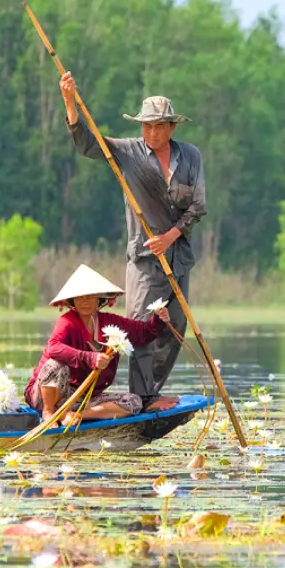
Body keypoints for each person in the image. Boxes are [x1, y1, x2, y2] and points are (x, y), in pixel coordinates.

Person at [60, 73, 204, 411]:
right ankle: (142, 397)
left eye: (158, 126)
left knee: (175, 327)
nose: (151, 133)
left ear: (172, 127)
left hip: (179, 257)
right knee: (140, 329)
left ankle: (152, 391)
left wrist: (170, 237)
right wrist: (70, 101)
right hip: (143, 261)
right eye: (146, 126)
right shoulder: (129, 152)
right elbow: (87, 145)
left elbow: (198, 206)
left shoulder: (191, 157)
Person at [24, 265, 176, 424]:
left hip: (82, 399)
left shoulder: (110, 322)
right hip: (46, 395)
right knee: (54, 364)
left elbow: (144, 333)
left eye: (90, 296)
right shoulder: (66, 322)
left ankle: (77, 416)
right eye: (80, 297)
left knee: (134, 402)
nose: (85, 302)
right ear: (72, 301)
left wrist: (158, 318)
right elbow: (53, 347)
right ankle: (49, 413)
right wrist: (90, 358)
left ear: (99, 299)